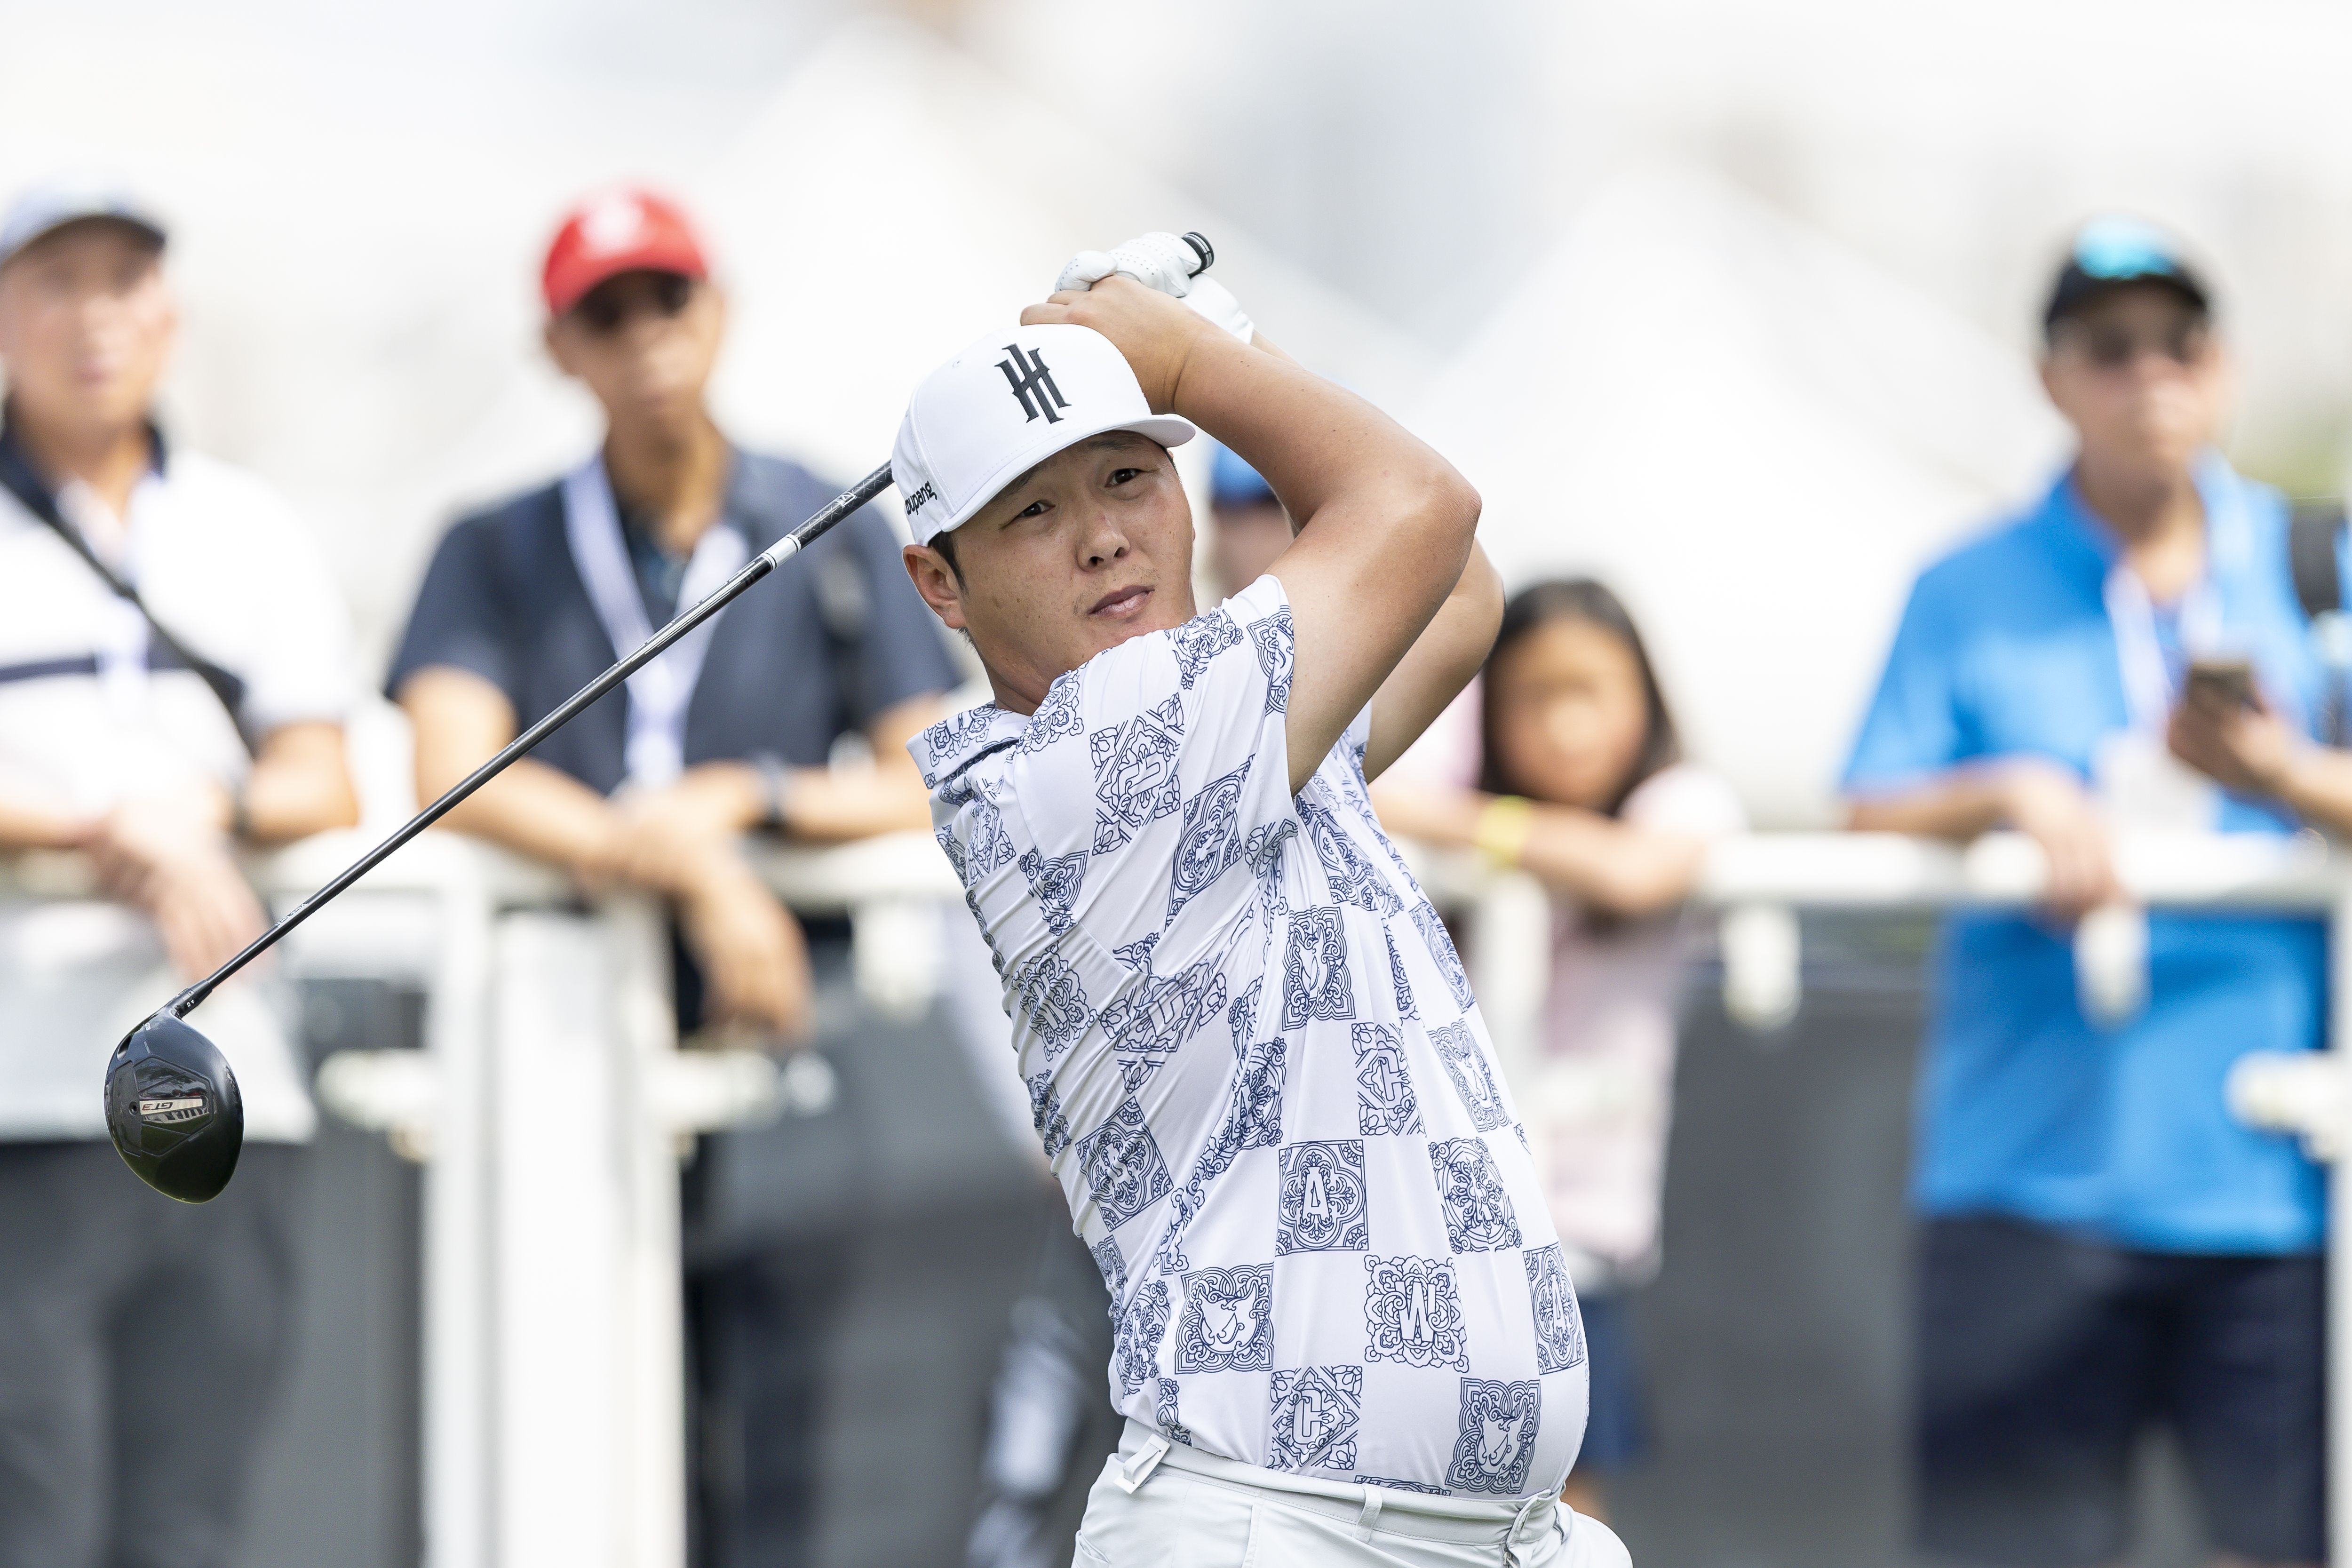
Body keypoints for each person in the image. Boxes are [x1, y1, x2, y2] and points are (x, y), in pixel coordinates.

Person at [897, 232, 1631, 1567]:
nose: (1105, 533)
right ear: (937, 580)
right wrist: (1193, 355)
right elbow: (1423, 509)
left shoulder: (1228, 720)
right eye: (1032, 513)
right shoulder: (1087, 759)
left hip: (1478, 1534)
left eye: (1129, 474)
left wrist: (1219, 337)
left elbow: (1459, 598)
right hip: (1269, 1525)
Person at [384, 186, 961, 1555]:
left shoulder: (818, 523)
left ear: (720, 312)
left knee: (801, 1455)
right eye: (607, 312)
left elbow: (938, 768)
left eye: (668, 299)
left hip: (790, 1048)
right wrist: (691, 866)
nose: (645, 336)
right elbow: (449, 773)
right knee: (570, 1446)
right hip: (559, 1054)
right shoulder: (495, 544)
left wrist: (747, 801)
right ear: (560, 349)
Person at [1843, 217, 2345, 1568]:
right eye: (2111, 348)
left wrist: (2280, 769)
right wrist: (2012, 788)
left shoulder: (2322, 563)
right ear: (2054, 374)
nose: (2150, 376)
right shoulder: (1962, 585)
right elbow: (1868, 798)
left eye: (2178, 342)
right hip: (2025, 1178)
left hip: (2278, 1192)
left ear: (2223, 364)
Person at [0, 178, 361, 1567]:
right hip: (19, 1104)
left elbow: (318, 771)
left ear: (171, 311)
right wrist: (114, 826)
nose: (97, 318)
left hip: (228, 1106)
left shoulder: (245, 527)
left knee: (193, 1526)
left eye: (124, 280)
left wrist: (191, 804)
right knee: (28, 1522)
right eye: (57, 281)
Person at [1371, 579, 1743, 1523]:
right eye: (1536, 694)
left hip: (1573, 1243)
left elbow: (1639, 868)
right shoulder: (1446, 830)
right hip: (1422, 1234)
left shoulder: (1678, 799)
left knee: (1562, 1513)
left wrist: (1478, 826)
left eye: (1594, 690)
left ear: (1645, 699)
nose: (1568, 723)